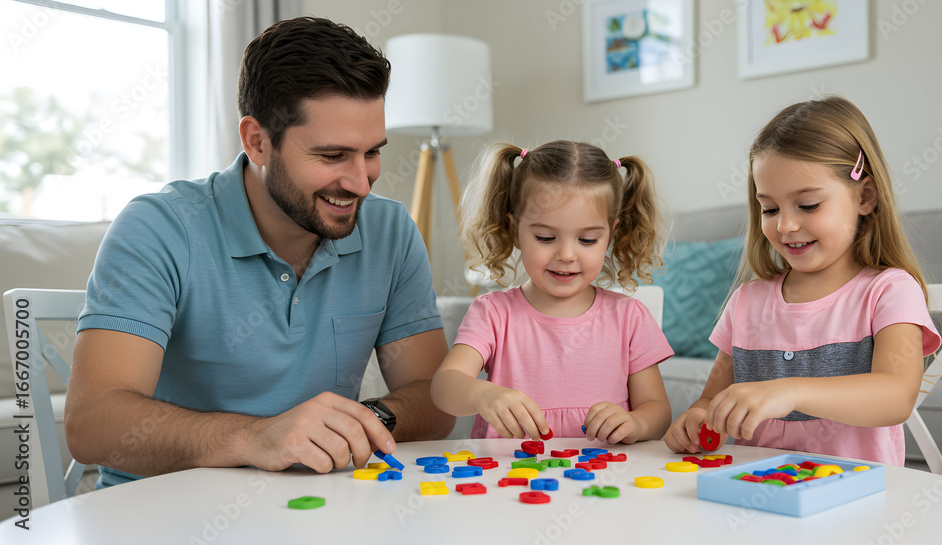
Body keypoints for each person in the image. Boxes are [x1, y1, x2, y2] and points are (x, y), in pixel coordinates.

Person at [65, 17, 454, 489]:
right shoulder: (159, 228)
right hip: (164, 514)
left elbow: (437, 399)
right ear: (257, 141)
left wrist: (354, 422)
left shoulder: (390, 231)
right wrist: (256, 438)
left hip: (319, 509)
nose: (359, 182)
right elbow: (93, 422)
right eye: (333, 156)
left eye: (371, 152)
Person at [664, 96, 941, 465]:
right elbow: (711, 401)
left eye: (808, 205)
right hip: (754, 496)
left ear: (866, 196)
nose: (785, 225)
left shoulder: (890, 291)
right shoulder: (747, 302)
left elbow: (895, 397)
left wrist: (790, 392)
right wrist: (700, 419)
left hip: (857, 506)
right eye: (770, 208)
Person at [430, 140, 673, 443]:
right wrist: (482, 394)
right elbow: (444, 387)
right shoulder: (493, 313)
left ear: (611, 235)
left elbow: (658, 410)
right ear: (514, 230)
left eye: (587, 240)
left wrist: (635, 424)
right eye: (545, 237)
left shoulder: (629, 317)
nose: (567, 255)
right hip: (509, 477)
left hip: (606, 476)